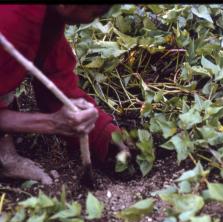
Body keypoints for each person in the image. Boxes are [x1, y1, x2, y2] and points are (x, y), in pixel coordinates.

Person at [0, 5, 129, 185]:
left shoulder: (45, 15)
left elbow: (56, 81)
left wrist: (106, 136)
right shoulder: (11, 20)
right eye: (98, 9)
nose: (103, 12)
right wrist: (51, 123)